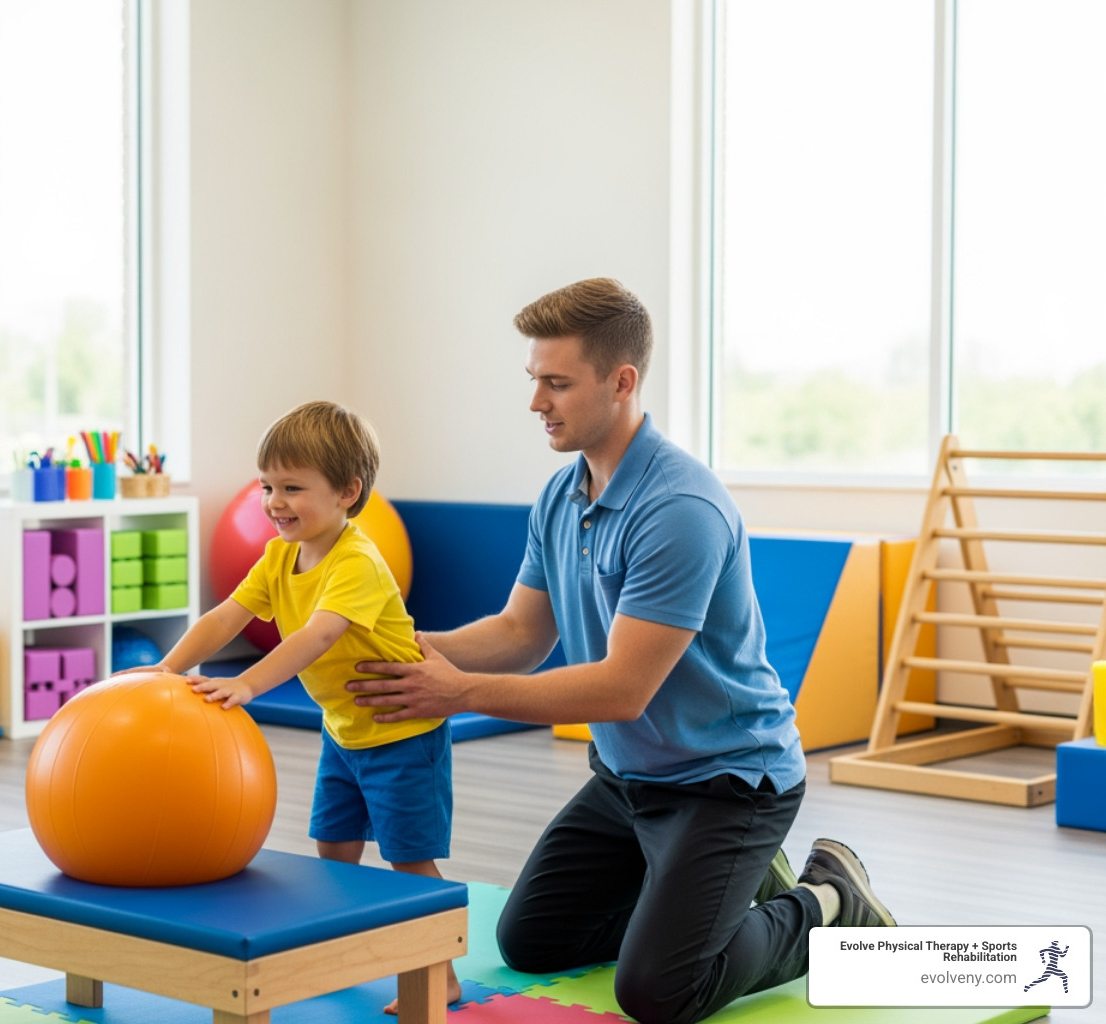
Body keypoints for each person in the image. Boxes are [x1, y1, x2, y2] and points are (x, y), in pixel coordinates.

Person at [345, 279, 895, 1024]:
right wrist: (396, 647)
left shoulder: (680, 509)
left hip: (726, 782)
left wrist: (456, 692)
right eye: (534, 380)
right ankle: (705, 896)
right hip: (629, 780)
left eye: (557, 383)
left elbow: (622, 689)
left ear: (622, 382)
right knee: (531, 945)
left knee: (658, 992)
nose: (536, 401)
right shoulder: (560, 496)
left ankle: (828, 898)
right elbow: (518, 635)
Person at [130, 400, 461, 1011]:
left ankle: (439, 971)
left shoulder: (357, 560)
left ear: (346, 491)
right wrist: (168, 667)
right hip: (345, 733)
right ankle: (350, 953)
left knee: (408, 860)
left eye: (292, 487)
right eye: (266, 486)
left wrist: (249, 685)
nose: (274, 502)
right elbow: (226, 615)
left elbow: (317, 636)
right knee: (334, 851)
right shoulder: (281, 555)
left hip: (403, 733)